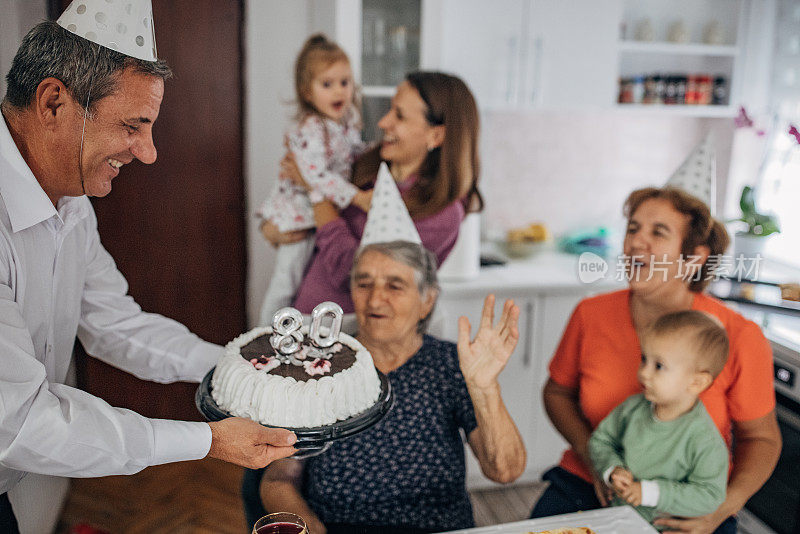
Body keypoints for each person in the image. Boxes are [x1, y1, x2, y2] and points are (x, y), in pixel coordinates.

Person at [0, 20, 296, 532]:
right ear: (53, 103)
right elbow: (22, 420)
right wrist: (210, 440)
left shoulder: (71, 203)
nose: (148, 152)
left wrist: (239, 366)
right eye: (131, 126)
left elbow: (115, 324)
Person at [530, 186, 781, 534]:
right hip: (589, 485)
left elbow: (762, 439)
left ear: (694, 257)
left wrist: (722, 509)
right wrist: (598, 461)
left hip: (687, 505)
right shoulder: (591, 314)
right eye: (633, 229)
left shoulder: (738, 336)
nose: (636, 242)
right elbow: (557, 394)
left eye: (657, 232)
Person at [245, 241, 526, 533]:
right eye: (364, 284)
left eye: (395, 286)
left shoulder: (452, 364)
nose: (376, 300)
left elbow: (504, 471)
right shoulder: (318, 367)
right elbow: (279, 480)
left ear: (427, 300)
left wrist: (485, 388)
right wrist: (312, 527)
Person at [263, 71, 482, 315]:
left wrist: (316, 190)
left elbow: (351, 273)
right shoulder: (366, 167)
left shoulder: (441, 214)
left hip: (351, 336)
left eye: (399, 115)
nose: (383, 122)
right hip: (302, 322)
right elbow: (309, 228)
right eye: (390, 109)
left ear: (436, 135)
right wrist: (275, 228)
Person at [256, 34, 371, 326]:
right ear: (308, 92)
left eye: (344, 82)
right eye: (327, 84)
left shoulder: (344, 126)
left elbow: (356, 153)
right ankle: (263, 333)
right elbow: (315, 175)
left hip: (315, 216)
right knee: (287, 280)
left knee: (301, 280)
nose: (339, 92)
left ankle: (282, 331)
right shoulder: (312, 128)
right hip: (298, 215)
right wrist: (357, 197)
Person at [589, 310, 730, 527]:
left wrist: (651, 493)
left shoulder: (705, 440)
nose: (644, 373)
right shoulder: (631, 408)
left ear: (696, 383)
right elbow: (601, 441)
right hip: (615, 521)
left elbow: (710, 496)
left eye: (659, 366)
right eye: (644, 359)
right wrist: (612, 469)